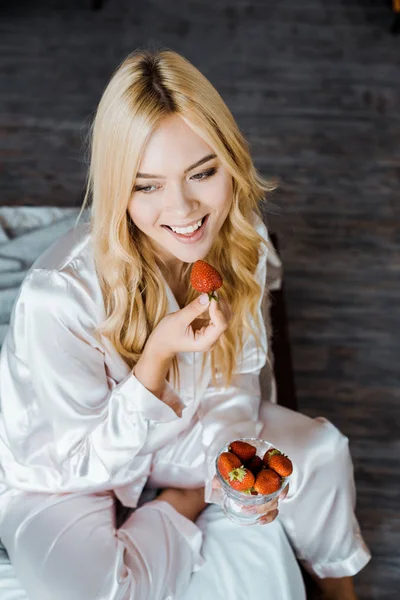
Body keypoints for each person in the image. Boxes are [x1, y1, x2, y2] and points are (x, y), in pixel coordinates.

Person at [0, 49, 370, 600]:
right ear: (115, 185)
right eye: (146, 185)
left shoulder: (241, 247)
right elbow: (79, 455)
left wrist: (227, 463)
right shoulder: (59, 296)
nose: (183, 210)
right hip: (65, 468)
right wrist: (154, 361)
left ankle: (340, 589)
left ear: (231, 161)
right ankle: (180, 503)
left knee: (320, 452)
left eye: (202, 172)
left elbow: (233, 389)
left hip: (177, 437)